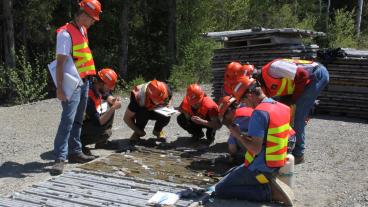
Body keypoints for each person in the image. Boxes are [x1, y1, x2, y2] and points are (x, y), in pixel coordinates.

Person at [215, 77, 294, 206]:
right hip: (276, 162)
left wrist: (238, 135)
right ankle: (267, 183)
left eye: (243, 100)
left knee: (221, 189)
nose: (244, 104)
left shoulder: (259, 113)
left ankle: (269, 192)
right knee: (230, 173)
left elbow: (255, 149)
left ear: (250, 95)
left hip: (260, 168)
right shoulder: (282, 107)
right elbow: (272, 137)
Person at [50, 0, 102, 176]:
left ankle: (75, 152)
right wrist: (59, 89)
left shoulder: (83, 30)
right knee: (68, 120)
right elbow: (60, 64)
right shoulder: (65, 34)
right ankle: (59, 158)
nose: (94, 21)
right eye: (93, 18)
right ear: (83, 15)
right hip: (72, 84)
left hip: (84, 81)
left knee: (78, 120)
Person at [257, 58, 329, 164]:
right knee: (284, 112)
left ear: (258, 81)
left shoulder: (274, 68)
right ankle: (287, 145)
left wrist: (294, 101)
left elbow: (302, 75)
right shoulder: (265, 82)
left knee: (297, 115)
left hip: (316, 75)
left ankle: (298, 154)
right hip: (300, 83)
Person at [80, 68, 122, 156]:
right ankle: (79, 144)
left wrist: (113, 100)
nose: (109, 89)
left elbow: (106, 95)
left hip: (87, 121)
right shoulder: (88, 96)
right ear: (101, 83)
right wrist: (113, 108)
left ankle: (101, 143)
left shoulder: (96, 86)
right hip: (79, 129)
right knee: (105, 131)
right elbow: (98, 122)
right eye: (108, 86)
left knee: (110, 106)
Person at [218, 96, 253, 162]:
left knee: (237, 136)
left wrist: (232, 156)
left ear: (230, 111)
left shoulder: (238, 120)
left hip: (259, 147)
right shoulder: (245, 106)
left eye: (225, 116)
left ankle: (248, 158)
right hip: (266, 139)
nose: (226, 119)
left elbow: (232, 146)